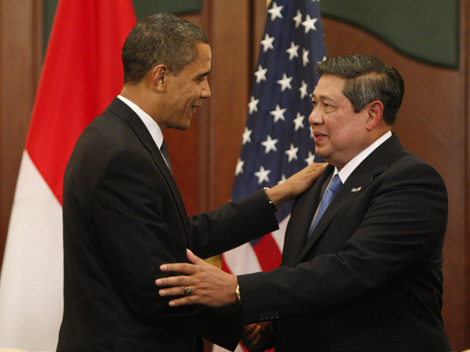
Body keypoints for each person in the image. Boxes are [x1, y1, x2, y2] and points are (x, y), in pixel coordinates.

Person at [56, 13, 325, 352]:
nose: (207, 92)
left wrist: (275, 196)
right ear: (161, 77)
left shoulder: (120, 136)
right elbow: (157, 285)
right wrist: (238, 318)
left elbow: (180, 237)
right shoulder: (123, 155)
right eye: (200, 78)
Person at [156, 54, 451, 351]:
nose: (313, 117)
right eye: (314, 103)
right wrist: (271, 324)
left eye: (328, 105)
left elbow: (352, 271)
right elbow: (309, 279)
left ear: (372, 115)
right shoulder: (316, 182)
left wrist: (237, 289)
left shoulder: (411, 181)